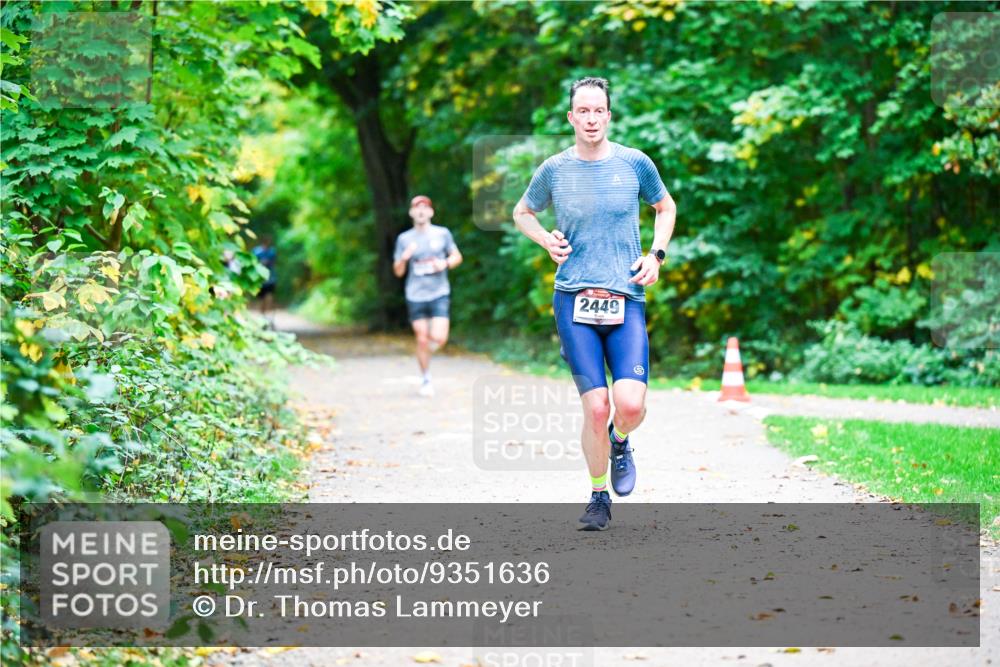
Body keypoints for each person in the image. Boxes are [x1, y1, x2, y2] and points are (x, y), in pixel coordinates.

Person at [512, 77, 677, 530]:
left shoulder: (634, 164)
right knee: (597, 406)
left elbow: (667, 208)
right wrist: (546, 239)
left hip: (626, 298)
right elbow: (522, 212)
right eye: (582, 111)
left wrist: (656, 257)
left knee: (628, 406)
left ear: (608, 115)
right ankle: (598, 495)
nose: (590, 119)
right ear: (571, 118)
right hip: (573, 302)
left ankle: (619, 441)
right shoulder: (554, 170)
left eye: (597, 111)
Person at [393, 195, 463, 397]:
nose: (421, 211)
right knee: (422, 339)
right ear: (411, 213)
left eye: (425, 207)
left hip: (439, 292)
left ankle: (425, 355)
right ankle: (425, 378)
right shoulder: (404, 239)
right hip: (415, 295)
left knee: (439, 338)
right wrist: (405, 257)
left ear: (431, 212)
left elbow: (457, 256)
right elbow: (397, 271)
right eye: (417, 208)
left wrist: (445, 263)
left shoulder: (442, 234)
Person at [252, 236, 277, 323]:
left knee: (269, 297)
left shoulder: (272, 252)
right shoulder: (256, 252)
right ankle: (262, 315)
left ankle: (267, 314)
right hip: (260, 279)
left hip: (270, 279)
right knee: (261, 299)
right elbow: (253, 262)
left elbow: (273, 262)